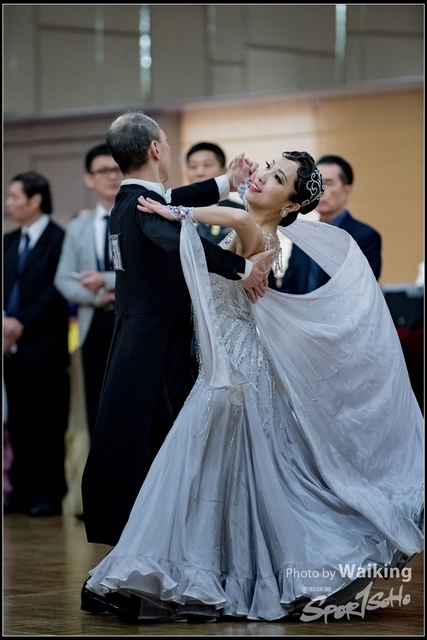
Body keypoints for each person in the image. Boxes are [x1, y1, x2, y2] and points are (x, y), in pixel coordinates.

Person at [82, 151, 423, 623]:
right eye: (266, 166)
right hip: (231, 367)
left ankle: (193, 573)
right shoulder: (261, 231)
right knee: (223, 476)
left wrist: (172, 210)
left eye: (276, 177)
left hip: (234, 372)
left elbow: (228, 216)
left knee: (199, 472)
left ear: (290, 205)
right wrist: (202, 198)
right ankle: (210, 572)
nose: (262, 176)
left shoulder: (255, 230)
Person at [80, 111, 273, 562]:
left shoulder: (130, 199)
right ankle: (153, 539)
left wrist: (227, 182)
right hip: (155, 345)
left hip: (137, 335)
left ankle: (151, 536)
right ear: (155, 149)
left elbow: (174, 201)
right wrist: (242, 269)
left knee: (135, 431)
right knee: (155, 435)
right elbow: (178, 240)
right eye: (165, 141)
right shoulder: (144, 208)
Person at [4, 171, 70, 517]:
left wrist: (21, 323)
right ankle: (20, 491)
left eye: (15, 197)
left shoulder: (60, 239)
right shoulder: (8, 241)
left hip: (45, 346)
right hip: (11, 349)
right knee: (18, 423)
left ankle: (49, 493)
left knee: (48, 423)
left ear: (36, 200)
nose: (9, 203)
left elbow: (58, 290)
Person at [54, 144, 122, 441]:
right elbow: (62, 279)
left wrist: (105, 280)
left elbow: (150, 273)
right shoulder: (78, 226)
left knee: (133, 404)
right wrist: (99, 296)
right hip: (92, 322)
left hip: (132, 319)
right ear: (89, 179)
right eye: (103, 171)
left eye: (117, 169)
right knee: (96, 406)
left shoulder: (141, 216)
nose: (112, 176)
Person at [270, 154, 382, 293]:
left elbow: (361, 291)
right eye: (316, 183)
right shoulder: (303, 236)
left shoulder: (365, 237)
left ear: (346, 191)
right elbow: (289, 286)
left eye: (328, 183)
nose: (320, 190)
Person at [185, 141, 245, 244]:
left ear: (224, 171)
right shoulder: (175, 213)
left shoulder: (241, 213)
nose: (199, 172)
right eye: (193, 166)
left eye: (207, 165)